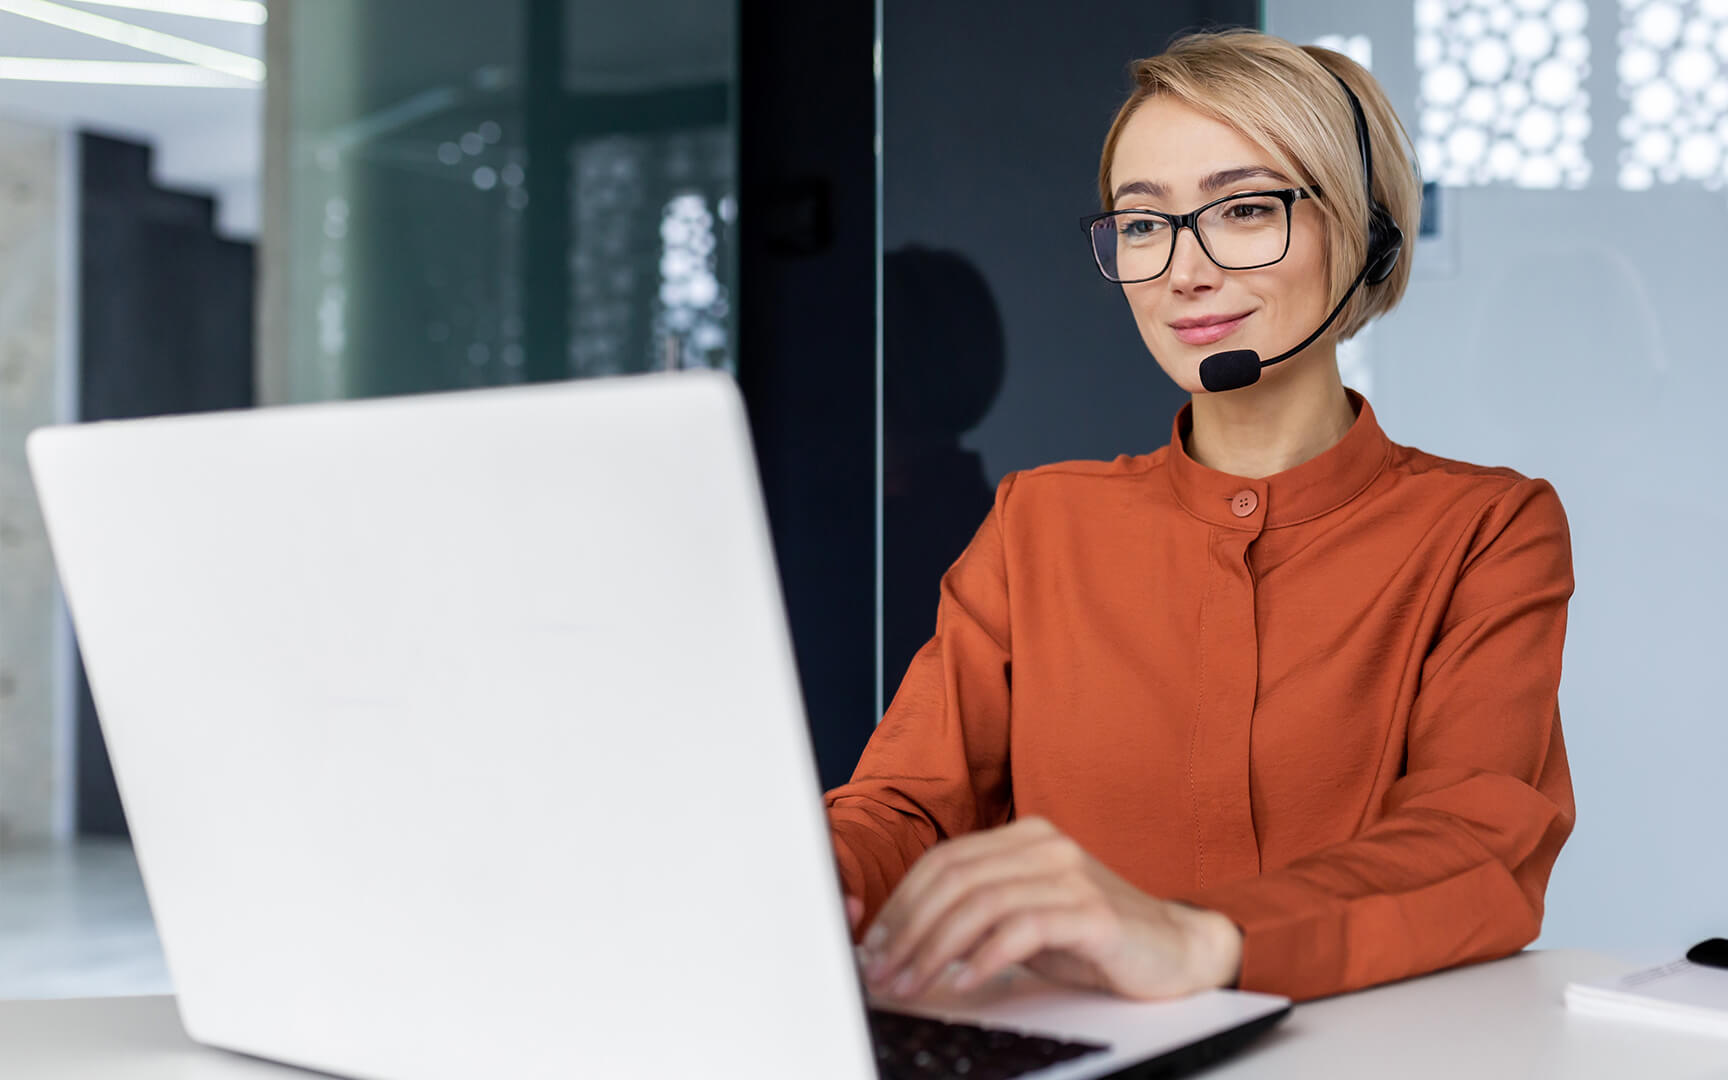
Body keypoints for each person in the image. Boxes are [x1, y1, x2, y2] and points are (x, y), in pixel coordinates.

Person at [825, 28, 1576, 1005]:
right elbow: (905, 811)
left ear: (1367, 233)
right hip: (1080, 1044)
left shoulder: (1488, 529)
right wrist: (806, 872)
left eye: (1246, 209)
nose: (1185, 271)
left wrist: (1196, 939)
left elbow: (1476, 847)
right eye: (1143, 224)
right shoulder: (1037, 523)